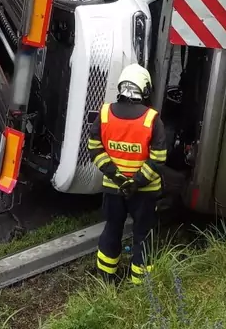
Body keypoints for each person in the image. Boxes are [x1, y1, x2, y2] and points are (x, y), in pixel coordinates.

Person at [87, 63, 167, 285]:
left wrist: (118, 178)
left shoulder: (104, 114)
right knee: (143, 236)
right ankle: (140, 286)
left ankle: (105, 279)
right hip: (145, 192)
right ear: (145, 89)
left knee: (112, 229)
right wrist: (136, 182)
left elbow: (95, 148)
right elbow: (159, 158)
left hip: (114, 190)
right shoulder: (152, 119)